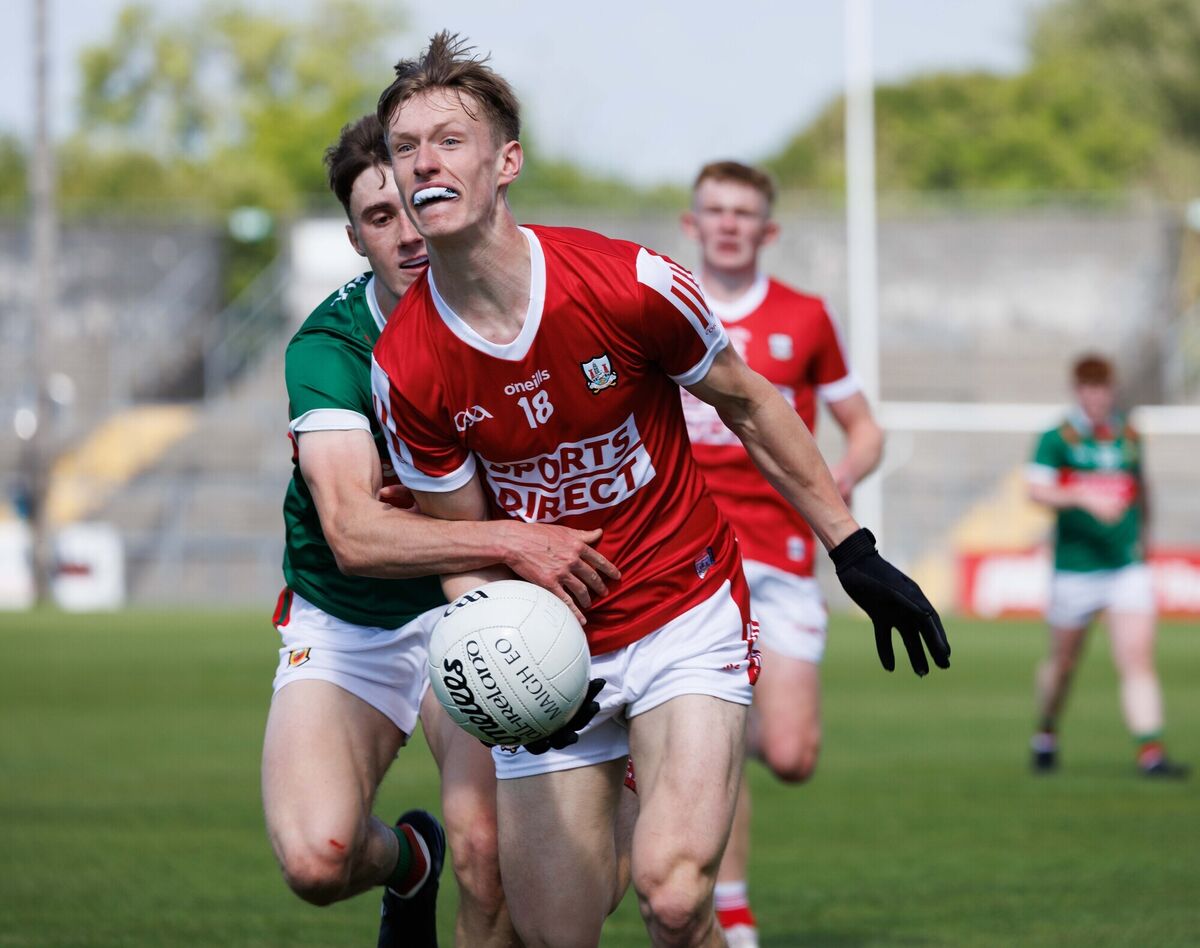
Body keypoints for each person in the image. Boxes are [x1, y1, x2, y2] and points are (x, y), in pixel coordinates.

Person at [370, 33, 949, 948]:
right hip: (549, 646)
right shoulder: (405, 365)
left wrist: (853, 549)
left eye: (449, 139)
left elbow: (754, 404)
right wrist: (514, 673)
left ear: (505, 161)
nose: (424, 163)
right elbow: (464, 545)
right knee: (559, 930)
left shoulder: (628, 283)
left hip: (684, 608)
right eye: (405, 148)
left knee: (675, 898)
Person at [263, 113, 619, 948]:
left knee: (489, 857)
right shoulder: (330, 349)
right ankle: (410, 861)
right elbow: (353, 533)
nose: (405, 231)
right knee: (319, 859)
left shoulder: (517, 308)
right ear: (354, 238)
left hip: (481, 605)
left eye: (409, 206)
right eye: (377, 219)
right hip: (352, 613)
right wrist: (509, 537)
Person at [679, 160, 884, 947]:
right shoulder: (662, 305)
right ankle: (731, 908)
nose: (729, 223)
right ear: (693, 224)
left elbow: (864, 426)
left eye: (745, 213)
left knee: (792, 755)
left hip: (785, 551)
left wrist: (841, 475)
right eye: (716, 210)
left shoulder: (804, 317)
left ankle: (677, 746)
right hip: (687, 558)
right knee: (717, 728)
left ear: (768, 230)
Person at [1025, 354, 1186, 778]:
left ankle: (1150, 752)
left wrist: (1146, 539)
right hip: (1075, 570)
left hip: (1124, 567)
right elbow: (1036, 491)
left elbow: (1142, 488)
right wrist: (1082, 496)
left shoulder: (1128, 435)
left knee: (1137, 659)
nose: (1096, 397)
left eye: (1103, 389)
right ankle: (1046, 730)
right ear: (1077, 391)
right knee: (1063, 665)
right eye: (1089, 389)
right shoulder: (1056, 438)